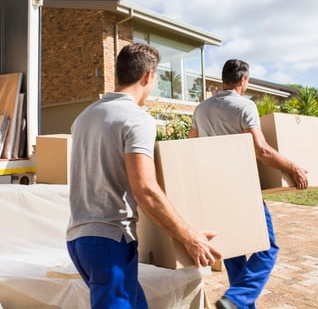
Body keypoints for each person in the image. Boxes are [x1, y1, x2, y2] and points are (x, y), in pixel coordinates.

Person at [66, 42, 222, 309]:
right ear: (149, 76)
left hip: (79, 239)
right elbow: (145, 190)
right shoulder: (136, 119)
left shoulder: (84, 117)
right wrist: (190, 237)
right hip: (110, 242)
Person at [188, 59, 308, 309]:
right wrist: (292, 168)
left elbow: (191, 147)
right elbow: (261, 150)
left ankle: (238, 303)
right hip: (242, 189)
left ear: (223, 79)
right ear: (244, 80)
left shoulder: (201, 109)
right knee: (268, 247)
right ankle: (236, 298)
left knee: (234, 251)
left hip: (214, 189)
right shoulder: (244, 106)